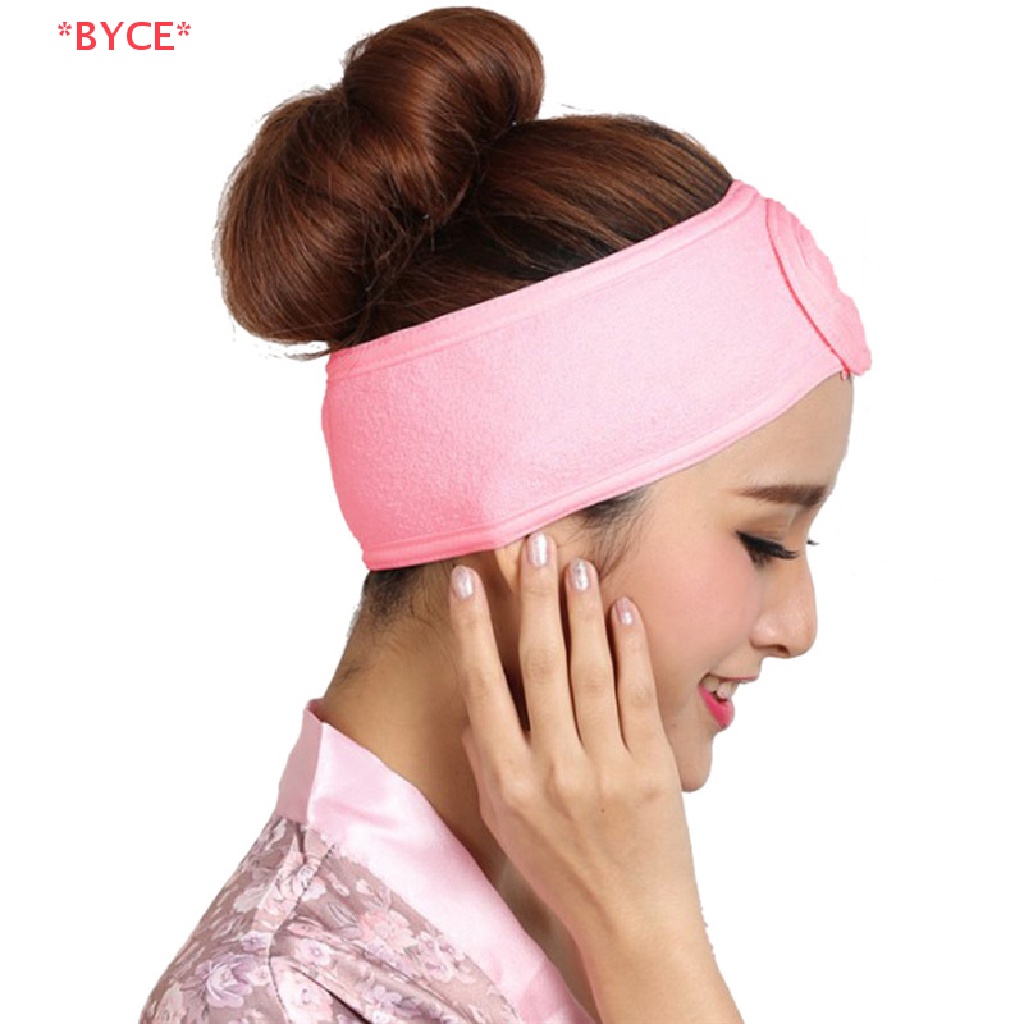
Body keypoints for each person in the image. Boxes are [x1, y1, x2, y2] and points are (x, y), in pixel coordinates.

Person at [139, 6, 870, 1024]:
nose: (799, 626)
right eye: (762, 539)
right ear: (536, 524)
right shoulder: (279, 998)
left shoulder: (570, 880)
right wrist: (649, 941)